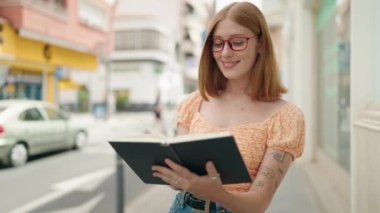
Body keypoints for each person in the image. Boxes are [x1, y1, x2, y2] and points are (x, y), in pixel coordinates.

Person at [152, 2, 305, 213]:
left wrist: (217, 194)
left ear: (260, 44)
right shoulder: (191, 104)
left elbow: (259, 203)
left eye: (237, 42)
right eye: (218, 43)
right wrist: (176, 178)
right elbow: (181, 175)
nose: (225, 53)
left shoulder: (286, 117)